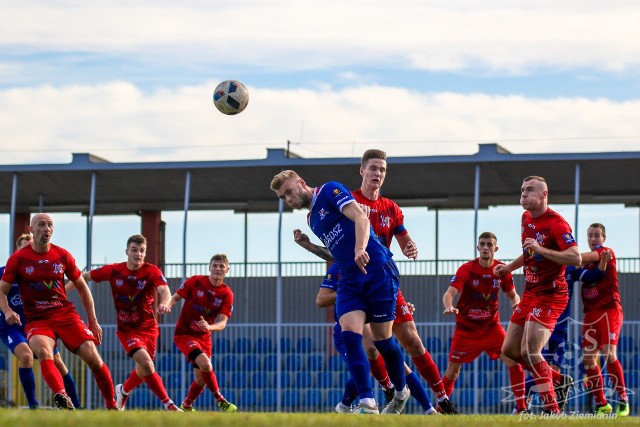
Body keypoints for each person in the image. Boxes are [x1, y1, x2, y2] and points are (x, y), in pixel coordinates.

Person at [293, 149, 456, 414]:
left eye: (382, 170)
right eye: (373, 169)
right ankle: (379, 396)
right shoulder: (346, 199)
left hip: (382, 275)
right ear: (362, 171)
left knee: (411, 341)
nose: (377, 174)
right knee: (368, 345)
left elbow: (404, 240)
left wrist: (410, 246)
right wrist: (312, 246)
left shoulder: (391, 208)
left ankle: (441, 400)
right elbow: (336, 249)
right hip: (354, 278)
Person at [271, 169, 410, 415]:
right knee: (350, 335)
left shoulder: (329, 190)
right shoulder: (312, 219)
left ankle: (401, 392)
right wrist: (310, 246)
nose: (289, 199)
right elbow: (336, 253)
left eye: (290, 191)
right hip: (348, 277)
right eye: (283, 197)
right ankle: (368, 403)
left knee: (383, 341)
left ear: (302, 183)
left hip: (376, 268)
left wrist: (359, 249)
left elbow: (362, 219)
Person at [0, 213, 117, 410]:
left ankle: (112, 405)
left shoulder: (62, 255)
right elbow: (1, 291)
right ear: (31, 229)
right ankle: (61, 397)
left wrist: (93, 321)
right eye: (41, 224)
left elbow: (82, 287)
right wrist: (7, 310)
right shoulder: (18, 259)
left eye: (50, 225)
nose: (46, 228)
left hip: (65, 315)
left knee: (94, 359)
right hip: (37, 320)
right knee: (43, 352)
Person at [495, 176, 581, 414]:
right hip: (531, 291)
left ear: (544, 194)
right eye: (522, 190)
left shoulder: (558, 224)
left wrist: (542, 248)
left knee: (530, 352)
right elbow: (529, 253)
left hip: (552, 295)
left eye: (530, 190)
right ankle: (558, 379)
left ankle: (553, 411)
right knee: (510, 351)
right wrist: (509, 268)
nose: (523, 193)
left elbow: (576, 257)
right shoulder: (525, 218)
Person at [318, 263, 437, 415]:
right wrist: (346, 290)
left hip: (371, 324)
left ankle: (429, 409)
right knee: (367, 365)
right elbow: (320, 300)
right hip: (347, 329)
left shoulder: (377, 266)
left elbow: (386, 296)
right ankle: (349, 405)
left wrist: (398, 308)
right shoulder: (339, 266)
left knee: (397, 364)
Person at [80, 234, 181, 411]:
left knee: (143, 371)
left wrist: (165, 303)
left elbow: (165, 291)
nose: (138, 254)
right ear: (127, 251)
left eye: (142, 251)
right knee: (147, 365)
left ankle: (123, 391)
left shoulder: (152, 271)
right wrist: (63, 290)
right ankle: (169, 404)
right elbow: (82, 277)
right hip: (127, 331)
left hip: (149, 329)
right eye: (134, 250)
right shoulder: (115, 271)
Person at [442, 232, 526, 413]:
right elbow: (449, 293)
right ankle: (440, 411)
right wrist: (449, 306)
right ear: (478, 247)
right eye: (482, 244)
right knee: (452, 372)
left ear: (496, 248)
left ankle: (521, 408)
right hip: (466, 329)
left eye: (489, 244)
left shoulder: (502, 269)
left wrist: (516, 305)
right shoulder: (466, 269)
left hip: (491, 328)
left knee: (514, 362)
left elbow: (512, 295)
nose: (486, 247)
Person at [0, 233, 81, 409]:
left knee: (58, 363)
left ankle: (76, 405)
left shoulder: (41, 272)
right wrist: (6, 311)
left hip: (37, 324)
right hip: (11, 327)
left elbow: (71, 283)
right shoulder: (4, 272)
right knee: (26, 356)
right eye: (25, 248)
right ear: (17, 252)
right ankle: (34, 407)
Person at [168, 254, 237, 412]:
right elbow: (176, 297)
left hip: (204, 337)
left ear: (227, 270)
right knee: (206, 365)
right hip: (184, 334)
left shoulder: (227, 293)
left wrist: (209, 327)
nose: (218, 269)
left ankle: (186, 406)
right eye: (215, 265)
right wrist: (168, 305)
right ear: (209, 267)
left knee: (201, 379)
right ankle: (220, 400)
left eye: (221, 266)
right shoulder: (196, 281)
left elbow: (222, 323)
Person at [577, 223, 629, 416]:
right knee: (589, 359)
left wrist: (564, 257)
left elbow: (578, 258)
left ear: (603, 238)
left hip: (609, 311)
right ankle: (602, 404)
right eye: (590, 235)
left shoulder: (607, 253)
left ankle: (623, 399)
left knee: (609, 354)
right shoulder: (584, 262)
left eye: (597, 235)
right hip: (591, 314)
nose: (593, 239)